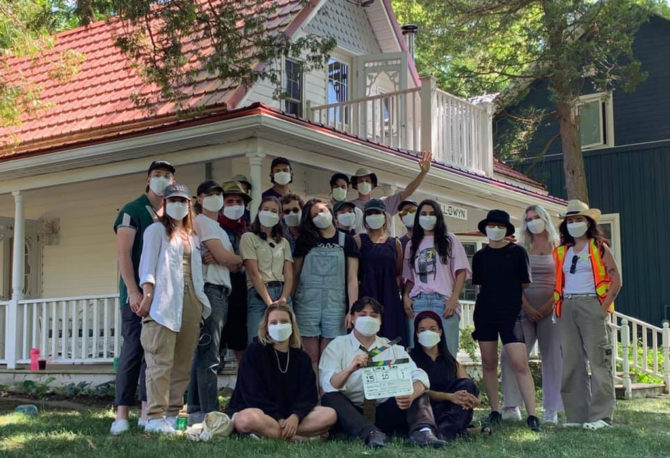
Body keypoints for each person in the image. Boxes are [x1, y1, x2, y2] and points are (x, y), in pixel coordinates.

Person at [320, 297, 445, 448]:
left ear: (380, 321)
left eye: (374, 315)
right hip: (352, 413)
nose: (368, 319)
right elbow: (328, 384)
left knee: (418, 389)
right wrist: (349, 369)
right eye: (362, 314)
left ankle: (423, 432)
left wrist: (411, 394)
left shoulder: (391, 347)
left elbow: (419, 375)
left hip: (384, 409)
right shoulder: (337, 346)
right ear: (352, 318)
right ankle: (371, 433)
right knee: (330, 397)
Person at [137, 184, 211, 434]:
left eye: (183, 200)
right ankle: (155, 417)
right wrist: (147, 294)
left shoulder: (191, 235)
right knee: (160, 360)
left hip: (190, 297)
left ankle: (171, 414)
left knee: (182, 362)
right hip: (163, 300)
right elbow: (147, 264)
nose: (178, 204)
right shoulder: (155, 230)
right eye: (174, 200)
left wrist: (201, 304)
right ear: (166, 204)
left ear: (189, 205)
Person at [110, 160, 175, 435]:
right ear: (148, 179)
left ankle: (147, 412)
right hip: (137, 297)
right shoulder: (132, 210)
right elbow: (124, 254)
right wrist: (133, 291)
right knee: (134, 352)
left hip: (162, 300)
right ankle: (121, 415)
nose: (162, 179)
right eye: (157, 175)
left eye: (167, 176)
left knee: (154, 355)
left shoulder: (171, 215)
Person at [554, 200, 621, 430]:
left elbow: (616, 281)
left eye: (578, 220)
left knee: (598, 360)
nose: (574, 224)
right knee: (572, 362)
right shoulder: (561, 251)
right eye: (570, 221)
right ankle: (576, 416)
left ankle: (601, 416)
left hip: (592, 304)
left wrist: (602, 310)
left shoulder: (599, 247)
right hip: (567, 306)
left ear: (588, 222)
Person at [471, 209, 540, 431]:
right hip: (485, 313)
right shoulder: (480, 256)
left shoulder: (518, 252)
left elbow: (525, 284)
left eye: (500, 226)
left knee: (520, 362)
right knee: (488, 363)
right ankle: (494, 410)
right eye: (492, 225)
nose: (495, 229)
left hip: (510, 314)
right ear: (485, 229)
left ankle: (532, 414)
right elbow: (480, 285)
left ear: (506, 230)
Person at [228, 305, 337, 440]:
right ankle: (301, 438)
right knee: (245, 419)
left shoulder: (302, 358)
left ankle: (269, 433)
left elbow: (308, 395)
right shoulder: (254, 352)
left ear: (292, 326)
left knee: (329, 414)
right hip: (260, 412)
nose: (279, 326)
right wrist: (278, 418)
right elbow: (252, 394)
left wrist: (296, 416)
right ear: (266, 327)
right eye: (274, 322)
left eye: (284, 321)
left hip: (291, 415)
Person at [500, 205, 563, 424]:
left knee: (552, 357)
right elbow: (512, 281)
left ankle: (551, 409)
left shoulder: (559, 247)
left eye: (537, 217)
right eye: (528, 219)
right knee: (510, 355)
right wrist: (526, 306)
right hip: (523, 308)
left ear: (545, 219)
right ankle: (511, 405)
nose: (533, 222)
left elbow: (564, 282)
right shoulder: (520, 248)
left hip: (552, 309)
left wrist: (547, 307)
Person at [187, 180, 244, 424]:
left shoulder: (217, 226)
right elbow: (224, 257)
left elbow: (226, 260)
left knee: (204, 351)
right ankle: (209, 412)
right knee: (209, 353)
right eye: (210, 194)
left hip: (221, 290)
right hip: (211, 290)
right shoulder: (203, 221)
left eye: (219, 194)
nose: (216, 198)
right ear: (199, 199)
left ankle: (196, 408)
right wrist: (245, 258)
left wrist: (228, 259)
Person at [293, 198, 359, 376]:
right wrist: (289, 304)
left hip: (335, 305)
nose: (319, 216)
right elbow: (295, 274)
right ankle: (312, 398)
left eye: (322, 210)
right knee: (310, 357)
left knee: (329, 357)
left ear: (330, 211)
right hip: (306, 304)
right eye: (314, 214)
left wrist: (352, 309)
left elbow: (352, 278)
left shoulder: (347, 241)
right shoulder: (305, 241)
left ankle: (328, 396)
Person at [402, 200, 470, 356]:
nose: (428, 217)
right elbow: (409, 278)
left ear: (438, 216)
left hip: (443, 303)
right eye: (423, 214)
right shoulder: (411, 245)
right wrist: (405, 296)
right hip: (418, 303)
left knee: (447, 354)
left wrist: (454, 298)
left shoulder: (449, 240)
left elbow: (461, 272)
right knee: (417, 354)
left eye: (432, 214)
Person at [409, 311, 484, 440]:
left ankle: (446, 431)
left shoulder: (451, 362)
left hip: (453, 409)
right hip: (426, 410)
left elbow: (470, 386)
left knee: (466, 386)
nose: (427, 333)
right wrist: (449, 397)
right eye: (422, 330)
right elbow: (418, 391)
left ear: (440, 331)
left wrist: (475, 400)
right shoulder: (410, 359)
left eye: (433, 329)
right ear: (416, 334)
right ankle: (454, 431)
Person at [240, 196, 294, 344]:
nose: (269, 213)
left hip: (282, 293)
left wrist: (283, 298)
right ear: (258, 212)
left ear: (280, 215)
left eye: (274, 211)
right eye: (266, 210)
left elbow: (289, 275)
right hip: (259, 295)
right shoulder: (248, 237)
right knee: (257, 340)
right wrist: (269, 302)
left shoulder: (283, 242)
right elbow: (253, 273)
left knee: (284, 341)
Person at [354, 199, 405, 344]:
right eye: (369, 213)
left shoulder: (395, 243)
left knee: (391, 341)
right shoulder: (358, 240)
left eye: (377, 212)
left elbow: (398, 272)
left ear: (384, 216)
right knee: (366, 338)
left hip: (389, 298)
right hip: (366, 296)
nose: (373, 216)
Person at [349, 151, 432, 234]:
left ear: (373, 184)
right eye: (360, 181)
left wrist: (423, 173)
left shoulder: (384, 203)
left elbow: (407, 192)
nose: (364, 183)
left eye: (367, 181)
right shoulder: (350, 207)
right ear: (355, 185)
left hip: (384, 245)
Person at [217, 181, 251, 365]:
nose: (234, 205)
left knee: (241, 344)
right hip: (220, 288)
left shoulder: (249, 229)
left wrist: (228, 259)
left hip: (242, 289)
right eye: (229, 201)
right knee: (215, 344)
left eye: (238, 201)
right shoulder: (214, 228)